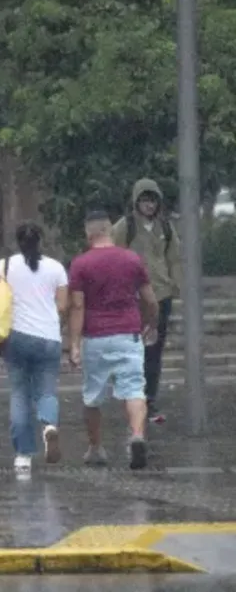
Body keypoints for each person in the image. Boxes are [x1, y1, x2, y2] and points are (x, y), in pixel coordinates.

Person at [68, 211, 158, 470]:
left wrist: (74, 344)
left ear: (88, 234)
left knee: (93, 396)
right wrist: (150, 322)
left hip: (95, 337)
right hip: (128, 334)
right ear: (110, 231)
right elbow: (150, 299)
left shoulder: (81, 264)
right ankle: (138, 435)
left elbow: (77, 306)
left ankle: (95, 448)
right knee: (134, 389)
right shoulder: (131, 259)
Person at [0, 222, 68, 474]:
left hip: (17, 337)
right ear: (41, 241)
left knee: (20, 392)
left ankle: (23, 455)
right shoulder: (56, 268)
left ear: (18, 242)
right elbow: (62, 306)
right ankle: (49, 426)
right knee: (47, 391)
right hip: (49, 338)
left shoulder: (6, 265)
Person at [111, 178, 182, 424]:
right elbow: (113, 256)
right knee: (132, 349)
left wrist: (175, 285)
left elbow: (175, 259)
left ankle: (149, 399)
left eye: (152, 200)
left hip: (161, 296)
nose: (148, 205)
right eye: (144, 200)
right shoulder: (125, 226)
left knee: (154, 349)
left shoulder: (166, 228)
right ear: (136, 202)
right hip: (132, 297)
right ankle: (131, 396)